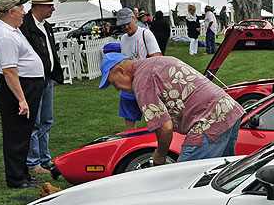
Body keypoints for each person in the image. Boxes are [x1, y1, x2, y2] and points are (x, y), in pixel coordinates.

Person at [99, 53, 245, 163]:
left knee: (184, 179)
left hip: (209, 120)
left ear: (121, 71)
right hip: (228, 109)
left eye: (113, 83)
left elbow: (165, 127)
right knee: (223, 173)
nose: (117, 89)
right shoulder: (154, 62)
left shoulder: (142, 82)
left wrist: (160, 155)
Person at [0, 0, 45, 189]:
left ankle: (21, 173)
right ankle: (16, 178)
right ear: (10, 12)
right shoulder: (5, 36)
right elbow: (9, 70)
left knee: (23, 131)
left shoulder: (10, 29)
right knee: (16, 132)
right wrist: (21, 99)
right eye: (21, 9)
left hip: (27, 83)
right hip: (20, 85)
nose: (24, 12)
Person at [19, 0, 64, 176]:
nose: (52, 9)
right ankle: (33, 162)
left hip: (46, 79)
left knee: (46, 120)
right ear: (38, 7)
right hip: (33, 80)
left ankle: (45, 159)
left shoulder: (46, 26)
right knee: (35, 123)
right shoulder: (25, 27)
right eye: (49, 6)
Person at [117, 7, 162, 131]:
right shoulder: (123, 39)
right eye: (122, 25)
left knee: (154, 117)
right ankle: (129, 141)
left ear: (134, 19)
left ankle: (156, 143)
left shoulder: (145, 34)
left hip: (146, 84)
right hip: (129, 85)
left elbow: (156, 58)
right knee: (129, 117)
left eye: (128, 23)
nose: (126, 27)